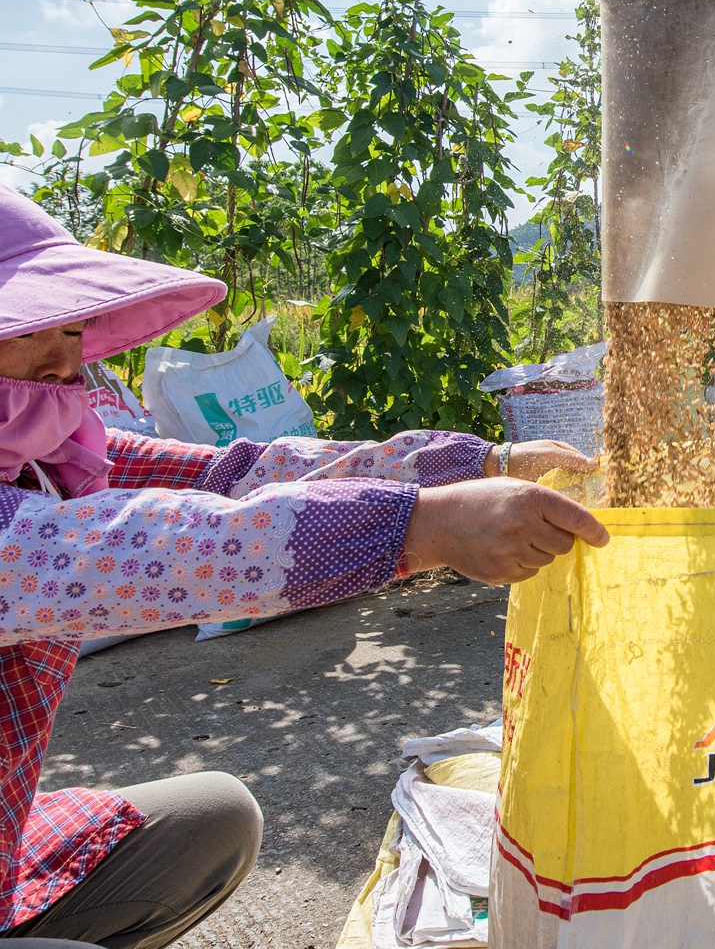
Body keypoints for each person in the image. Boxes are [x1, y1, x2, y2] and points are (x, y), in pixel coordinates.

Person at [0, 183, 609, 949]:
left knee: (212, 821)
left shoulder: (53, 455)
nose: (65, 361)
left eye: (74, 329)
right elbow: (144, 549)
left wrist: (478, 461)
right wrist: (420, 530)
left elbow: (238, 477)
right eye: (30, 329)